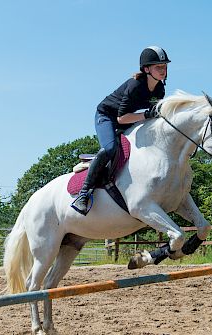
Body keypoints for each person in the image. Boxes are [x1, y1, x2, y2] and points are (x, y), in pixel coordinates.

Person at [71, 46, 171, 215]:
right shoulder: (135, 86)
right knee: (110, 149)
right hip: (107, 117)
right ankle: (83, 194)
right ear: (147, 69)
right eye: (158, 67)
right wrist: (146, 114)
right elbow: (121, 118)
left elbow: (153, 116)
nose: (163, 70)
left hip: (128, 120)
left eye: (165, 66)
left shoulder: (160, 89)